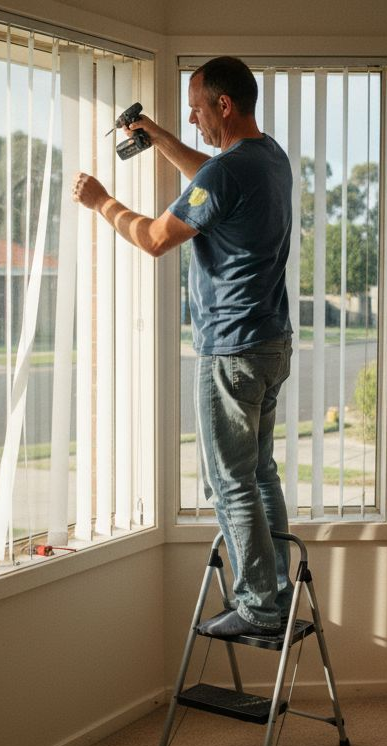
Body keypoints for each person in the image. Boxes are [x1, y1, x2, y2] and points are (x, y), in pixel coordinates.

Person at [71, 56, 294, 637]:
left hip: (232, 349)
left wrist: (101, 202)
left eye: (196, 109)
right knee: (260, 471)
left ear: (224, 105)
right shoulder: (268, 157)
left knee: (229, 480)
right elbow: (211, 179)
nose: (192, 119)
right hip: (271, 343)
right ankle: (277, 589)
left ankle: (257, 607)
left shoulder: (227, 173)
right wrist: (161, 136)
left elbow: (153, 239)